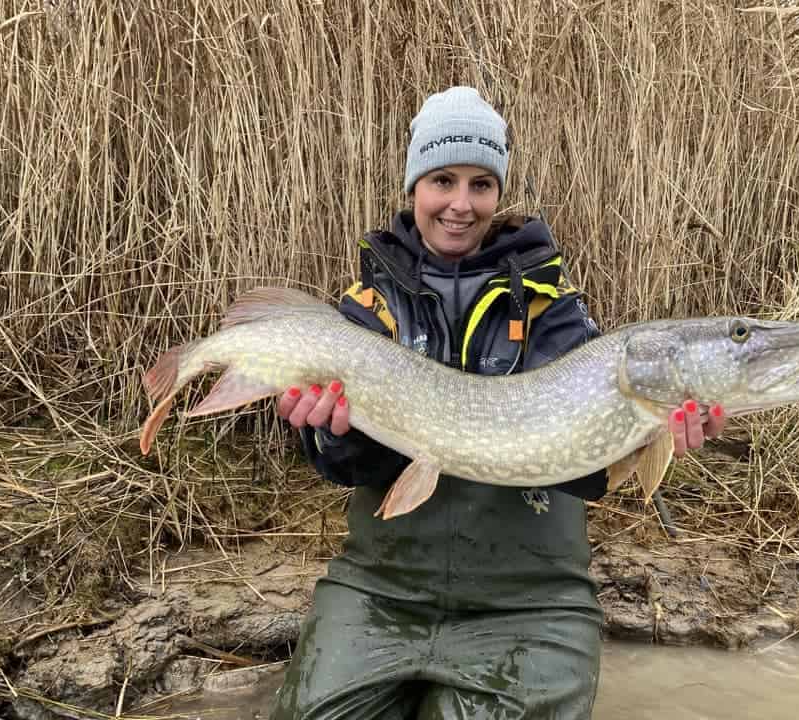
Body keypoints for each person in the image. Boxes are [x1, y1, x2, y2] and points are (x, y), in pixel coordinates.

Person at [270, 86, 725, 720]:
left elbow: (586, 476)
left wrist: (645, 431)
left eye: (481, 184)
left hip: (531, 599)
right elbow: (343, 468)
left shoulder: (550, 306)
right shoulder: (368, 307)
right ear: (414, 185)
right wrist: (330, 432)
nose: (461, 204)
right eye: (443, 181)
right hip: (380, 587)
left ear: (498, 193)